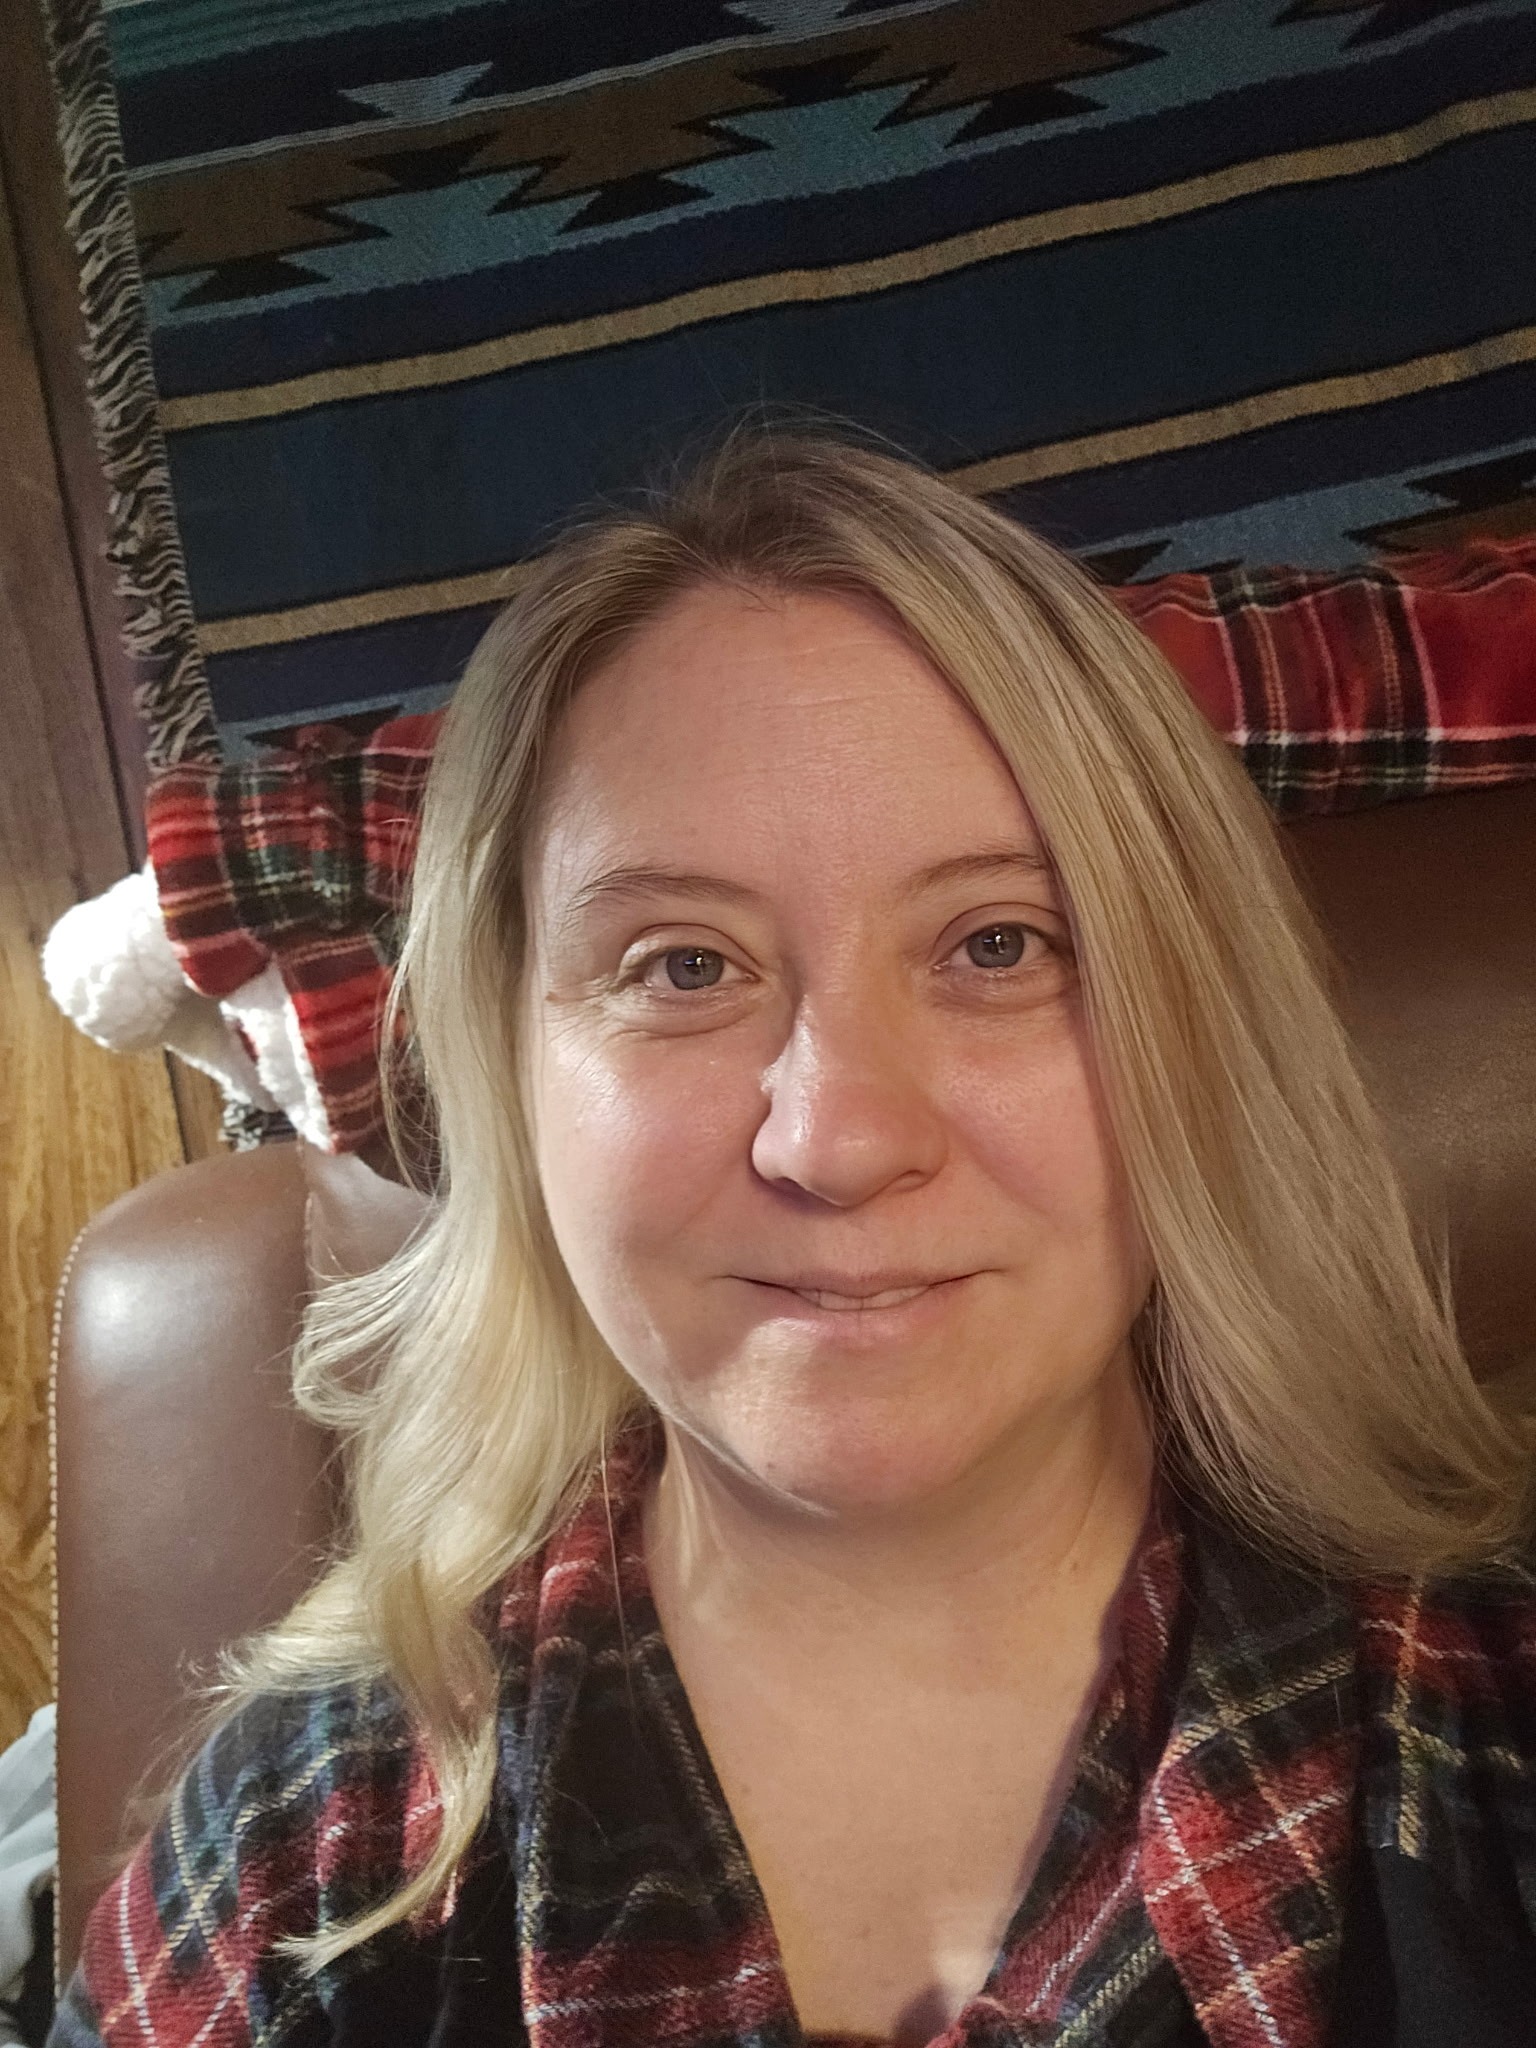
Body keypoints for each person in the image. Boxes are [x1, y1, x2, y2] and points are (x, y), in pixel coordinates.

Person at [50, 427, 1536, 2048]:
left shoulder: (1486, 1723)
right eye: (683, 967)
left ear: (1196, 1029)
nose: (836, 1140)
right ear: (512, 1078)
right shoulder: (304, 1848)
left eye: (998, 944)